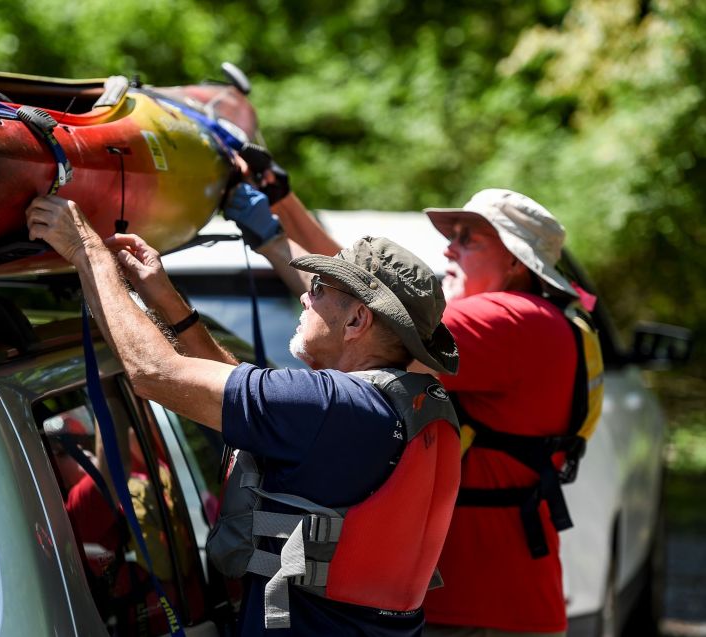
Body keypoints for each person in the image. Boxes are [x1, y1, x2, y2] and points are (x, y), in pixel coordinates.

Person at [25, 191, 462, 636]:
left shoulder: (332, 407)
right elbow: (236, 387)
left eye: (318, 290)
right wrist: (164, 297)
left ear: (356, 322)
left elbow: (155, 375)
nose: (305, 301)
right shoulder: (393, 407)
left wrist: (87, 252)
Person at [243, 166, 600, 635]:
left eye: (468, 239)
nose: (449, 247)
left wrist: (273, 237)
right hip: (504, 597)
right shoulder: (543, 321)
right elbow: (361, 292)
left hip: (478, 608)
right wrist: (283, 204)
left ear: (516, 262)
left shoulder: (504, 319)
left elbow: (362, 313)